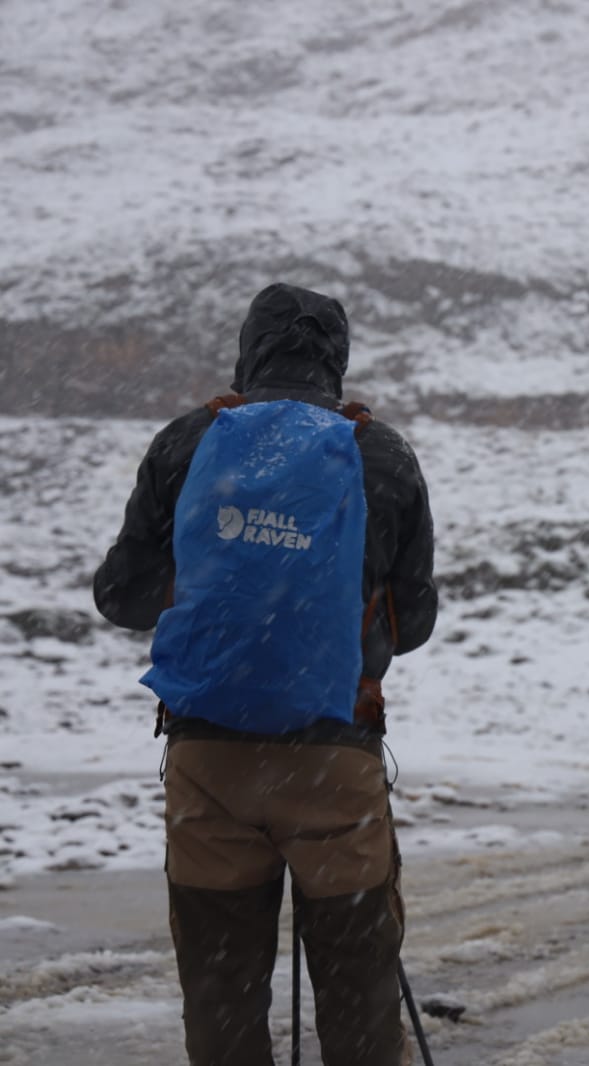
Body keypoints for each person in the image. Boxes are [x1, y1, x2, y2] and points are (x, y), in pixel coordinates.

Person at [93, 283, 437, 1066]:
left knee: (222, 984)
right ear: (336, 359)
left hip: (208, 756)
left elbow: (121, 597)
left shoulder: (187, 443)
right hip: (333, 758)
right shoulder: (379, 454)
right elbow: (413, 620)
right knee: (356, 982)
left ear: (248, 352)